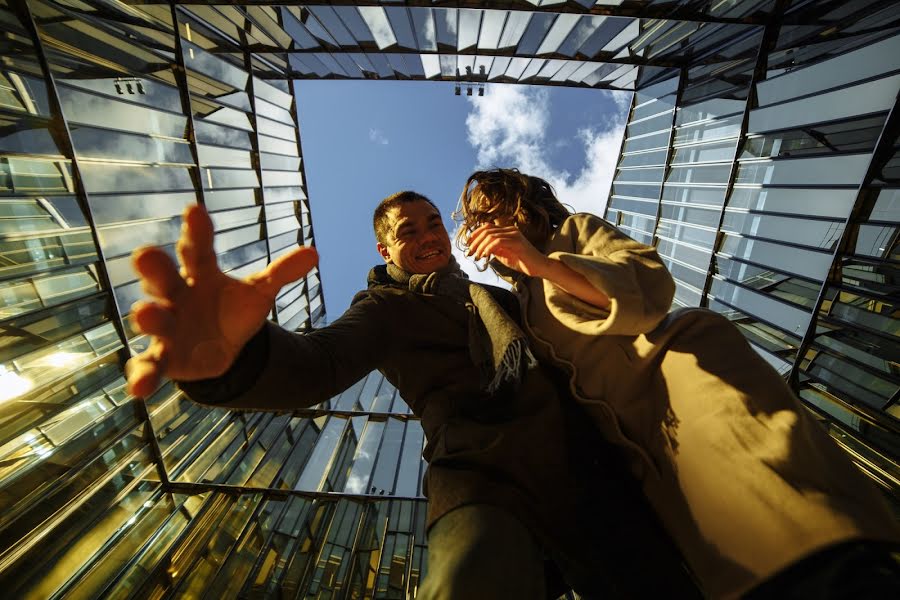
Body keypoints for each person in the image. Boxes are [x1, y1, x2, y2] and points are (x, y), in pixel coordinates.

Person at [125, 195, 698, 598]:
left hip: (589, 473)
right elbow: (320, 363)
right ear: (384, 250)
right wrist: (238, 354)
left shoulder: (500, 298)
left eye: (433, 224)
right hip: (480, 481)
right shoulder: (386, 307)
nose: (427, 237)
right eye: (409, 231)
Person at [457, 168, 900, 599]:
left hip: (685, 380)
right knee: (739, 563)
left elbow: (647, 284)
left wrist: (542, 265)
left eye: (497, 212)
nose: (490, 226)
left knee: (803, 536)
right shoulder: (519, 303)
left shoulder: (574, 232)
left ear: (525, 207)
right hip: (645, 447)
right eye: (480, 221)